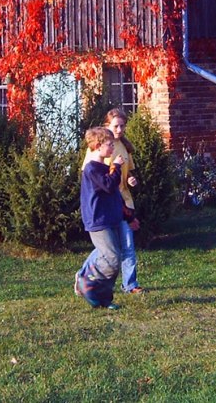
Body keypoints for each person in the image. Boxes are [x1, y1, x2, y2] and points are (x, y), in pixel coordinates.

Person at [74, 126, 125, 309]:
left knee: (114, 258)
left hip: (110, 217)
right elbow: (108, 186)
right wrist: (116, 167)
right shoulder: (92, 168)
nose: (112, 148)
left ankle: (104, 298)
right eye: (109, 144)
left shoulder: (103, 167)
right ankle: (86, 280)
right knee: (111, 258)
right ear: (98, 146)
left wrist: (126, 212)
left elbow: (113, 192)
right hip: (98, 219)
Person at [104, 107, 144, 294]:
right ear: (107, 125)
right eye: (116, 126)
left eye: (122, 126)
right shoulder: (101, 146)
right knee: (108, 248)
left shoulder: (125, 146)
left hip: (125, 202)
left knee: (128, 244)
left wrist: (130, 180)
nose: (119, 130)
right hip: (108, 203)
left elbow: (128, 173)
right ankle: (88, 277)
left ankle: (130, 284)